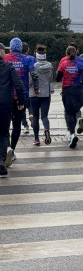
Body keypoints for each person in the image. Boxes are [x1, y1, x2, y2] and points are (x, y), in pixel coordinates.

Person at [5, 37, 39, 159]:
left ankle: (7, 148)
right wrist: (36, 88)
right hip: (21, 96)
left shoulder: (5, 58)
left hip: (6, 96)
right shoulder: (28, 59)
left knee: (4, 124)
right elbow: (34, 75)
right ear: (20, 48)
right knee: (17, 124)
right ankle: (12, 150)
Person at [0, 43, 25, 176]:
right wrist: (21, 101)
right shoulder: (8, 67)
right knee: (4, 133)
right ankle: (1, 161)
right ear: (2, 52)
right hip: (5, 103)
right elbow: (18, 84)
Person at [56, 46, 83, 148]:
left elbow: (57, 78)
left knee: (68, 112)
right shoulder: (80, 63)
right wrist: (82, 82)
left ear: (66, 53)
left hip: (67, 90)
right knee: (76, 109)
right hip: (78, 89)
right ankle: (79, 118)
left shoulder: (63, 63)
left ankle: (72, 133)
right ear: (76, 53)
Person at [29, 44, 53, 146]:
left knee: (35, 116)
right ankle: (47, 130)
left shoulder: (32, 67)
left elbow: (30, 81)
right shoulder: (49, 66)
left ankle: (36, 139)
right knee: (44, 116)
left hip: (34, 94)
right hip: (45, 94)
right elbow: (50, 79)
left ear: (36, 56)